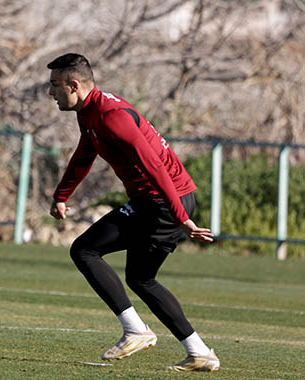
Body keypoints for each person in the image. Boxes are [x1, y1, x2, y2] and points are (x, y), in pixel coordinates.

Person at [46, 53, 220, 372]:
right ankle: (199, 352)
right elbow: (86, 152)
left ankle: (137, 330)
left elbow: (154, 165)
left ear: (74, 85)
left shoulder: (113, 115)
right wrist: (62, 194)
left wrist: (181, 217)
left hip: (163, 203)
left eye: (55, 85)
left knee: (85, 250)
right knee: (141, 279)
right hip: (159, 202)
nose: (50, 93)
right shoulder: (90, 112)